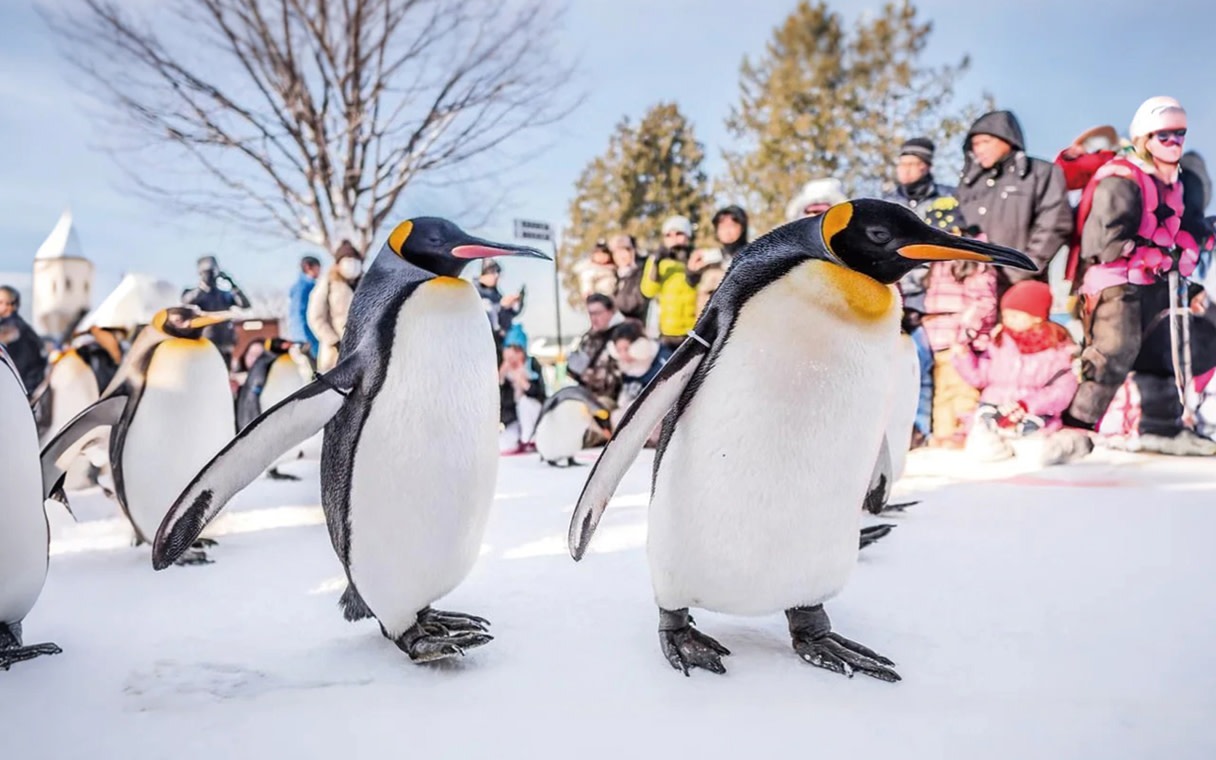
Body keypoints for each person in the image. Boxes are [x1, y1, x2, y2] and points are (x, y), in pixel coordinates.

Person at [1063, 97, 1203, 437]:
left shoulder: (1169, 181)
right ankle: (1077, 426)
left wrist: (1192, 240)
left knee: (1159, 351)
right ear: (1144, 138)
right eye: (1164, 136)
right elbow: (1105, 243)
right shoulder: (1120, 178)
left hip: (1149, 281)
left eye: (1179, 135)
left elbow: (1171, 228)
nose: (1174, 143)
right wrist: (1155, 254)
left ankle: (1161, 424)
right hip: (1111, 281)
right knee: (1115, 349)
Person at [951, 281, 1082, 462]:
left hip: (1033, 415)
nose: (1007, 320)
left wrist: (1028, 405)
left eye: (1015, 316)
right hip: (995, 413)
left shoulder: (1057, 350)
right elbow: (980, 377)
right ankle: (1007, 445)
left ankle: (1072, 444)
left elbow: (1062, 390)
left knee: (1037, 456)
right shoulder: (999, 342)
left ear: (1036, 317)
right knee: (981, 451)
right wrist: (964, 357)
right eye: (1005, 315)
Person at [956, 110, 1073, 291]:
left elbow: (1055, 223)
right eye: (975, 144)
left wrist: (1023, 267)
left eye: (985, 142)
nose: (979, 149)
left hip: (1021, 287)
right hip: (973, 289)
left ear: (1008, 139)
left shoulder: (1040, 173)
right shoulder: (969, 184)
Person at [641, 216, 699, 350]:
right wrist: (656, 262)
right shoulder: (657, 260)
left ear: (688, 236)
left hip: (694, 330)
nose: (674, 238)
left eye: (679, 233)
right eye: (668, 235)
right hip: (666, 332)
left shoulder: (696, 258)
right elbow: (648, 291)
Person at [181, 255, 251, 367]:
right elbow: (186, 301)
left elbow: (245, 305)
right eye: (206, 273)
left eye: (212, 272)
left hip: (226, 343)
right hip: (205, 343)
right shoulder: (194, 293)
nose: (210, 276)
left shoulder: (225, 294)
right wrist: (203, 287)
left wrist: (232, 285)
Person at [307, 240, 363, 372]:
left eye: (354, 260)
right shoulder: (328, 282)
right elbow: (316, 316)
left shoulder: (367, 282)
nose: (352, 264)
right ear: (338, 263)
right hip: (334, 353)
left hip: (362, 349)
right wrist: (333, 341)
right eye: (347, 259)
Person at [687, 206, 748, 316]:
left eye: (732, 226)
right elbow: (691, 283)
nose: (726, 231)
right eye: (721, 226)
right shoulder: (709, 257)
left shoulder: (752, 255)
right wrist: (692, 270)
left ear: (743, 227)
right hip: (710, 322)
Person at [566, 293, 624, 405]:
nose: (593, 318)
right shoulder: (588, 336)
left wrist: (587, 375)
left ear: (610, 311)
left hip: (613, 403)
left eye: (597, 313)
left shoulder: (624, 335)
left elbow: (617, 379)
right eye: (590, 314)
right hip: (588, 399)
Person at [499, 329, 546, 455]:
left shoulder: (532, 366)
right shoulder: (501, 372)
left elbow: (540, 394)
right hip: (514, 421)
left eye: (517, 351)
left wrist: (523, 383)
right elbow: (501, 405)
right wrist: (501, 380)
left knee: (524, 403)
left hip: (533, 416)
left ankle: (528, 440)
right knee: (502, 446)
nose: (513, 356)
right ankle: (521, 440)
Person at [0, 285, 47, 394]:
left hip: (23, 387)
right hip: (28, 385)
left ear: (10, 305)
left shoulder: (14, 325)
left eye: (1, 302)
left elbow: (7, 335)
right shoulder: (23, 326)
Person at [476, 259, 523, 358]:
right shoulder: (472, 291)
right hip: (480, 345)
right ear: (484, 273)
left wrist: (517, 303)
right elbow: (480, 316)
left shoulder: (496, 294)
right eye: (493, 271)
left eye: (498, 272)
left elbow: (509, 315)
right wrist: (500, 306)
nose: (497, 275)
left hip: (497, 344)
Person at [607, 234, 650, 322]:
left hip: (635, 327)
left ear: (633, 252)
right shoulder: (614, 276)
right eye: (616, 252)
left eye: (624, 251)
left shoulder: (641, 273)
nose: (621, 256)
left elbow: (634, 303)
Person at [287, 256, 321, 359]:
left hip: (307, 335)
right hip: (307, 337)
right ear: (308, 267)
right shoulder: (304, 287)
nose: (319, 271)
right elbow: (298, 313)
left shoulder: (303, 285)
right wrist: (304, 338)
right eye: (317, 268)